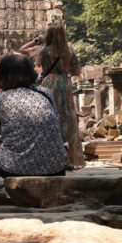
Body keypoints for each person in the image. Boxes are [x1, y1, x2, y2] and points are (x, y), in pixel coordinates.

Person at [0, 53, 68, 205]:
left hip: (17, 167)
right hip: (56, 167)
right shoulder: (46, 94)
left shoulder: (0, 100)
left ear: (3, 76)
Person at [21, 22, 84, 169]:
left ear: (48, 35)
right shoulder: (70, 51)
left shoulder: (44, 50)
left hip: (49, 84)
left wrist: (36, 40)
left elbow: (21, 51)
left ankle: (50, 156)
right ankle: (69, 159)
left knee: (49, 118)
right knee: (67, 120)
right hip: (65, 84)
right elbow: (77, 72)